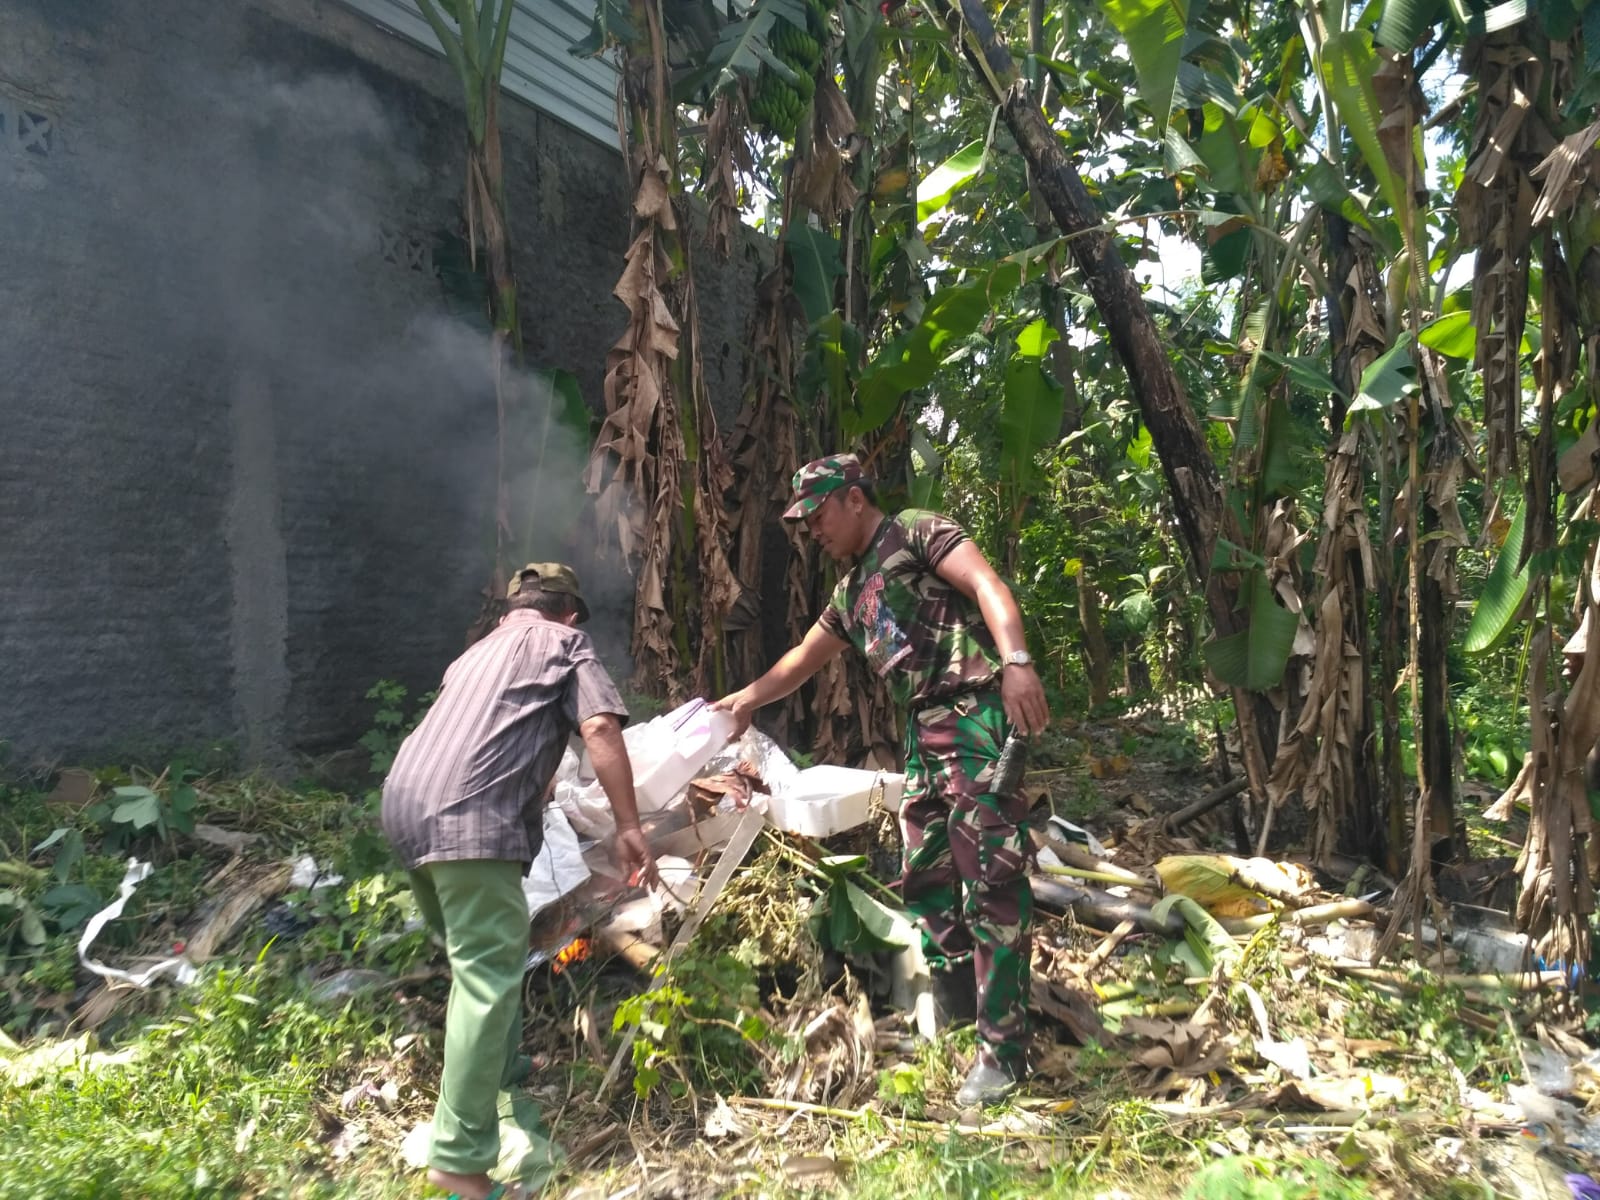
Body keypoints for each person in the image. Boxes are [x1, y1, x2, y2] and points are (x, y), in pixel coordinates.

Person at [714, 454, 1049, 1106]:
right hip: (924, 736)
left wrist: (1016, 660)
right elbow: (802, 660)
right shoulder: (850, 593)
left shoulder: (915, 532)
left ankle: (1003, 1055)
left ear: (854, 498)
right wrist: (746, 700)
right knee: (925, 879)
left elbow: (986, 584)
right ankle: (957, 1023)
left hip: (975, 714)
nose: (811, 529)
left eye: (816, 514)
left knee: (992, 884)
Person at [381, 563, 657, 1200]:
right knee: (488, 970)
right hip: (466, 820)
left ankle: (501, 1066)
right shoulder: (565, 645)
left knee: (481, 961)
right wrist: (627, 823)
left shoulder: (474, 655)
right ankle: (458, 1161)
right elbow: (600, 728)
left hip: (402, 807)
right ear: (569, 612)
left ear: (512, 610)